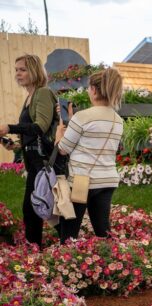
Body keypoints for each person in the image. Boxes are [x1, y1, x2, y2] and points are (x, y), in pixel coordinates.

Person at [55, 68, 124, 242]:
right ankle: (114, 263)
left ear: (93, 89)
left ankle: (67, 265)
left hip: (81, 181)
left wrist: (59, 134)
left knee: (69, 232)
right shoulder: (118, 120)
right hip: (107, 179)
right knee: (103, 231)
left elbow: (63, 149)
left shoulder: (82, 116)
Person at [0, 54, 58, 246]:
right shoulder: (30, 97)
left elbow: (40, 127)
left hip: (43, 163)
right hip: (34, 163)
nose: (18, 74)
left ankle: (34, 254)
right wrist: (13, 145)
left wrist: (11, 127)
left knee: (34, 209)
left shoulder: (42, 93)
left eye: (22, 69)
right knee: (38, 209)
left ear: (34, 71)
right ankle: (44, 249)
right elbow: (32, 136)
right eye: (16, 70)